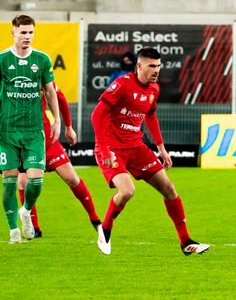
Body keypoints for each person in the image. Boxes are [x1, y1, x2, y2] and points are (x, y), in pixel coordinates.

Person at [91, 46, 209, 256]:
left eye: (158, 66)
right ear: (139, 66)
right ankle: (105, 229)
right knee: (127, 191)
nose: (156, 70)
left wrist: (161, 148)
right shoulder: (121, 85)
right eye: (152, 66)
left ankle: (185, 241)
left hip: (136, 147)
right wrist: (104, 149)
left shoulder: (154, 89)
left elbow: (151, 115)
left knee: (169, 188)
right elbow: (97, 115)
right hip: (112, 148)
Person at [0, 14, 60, 244]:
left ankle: (25, 210)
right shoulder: (3, 59)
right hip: (7, 131)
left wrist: (57, 120)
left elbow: (50, 91)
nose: (27, 36)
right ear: (13, 32)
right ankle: (13, 229)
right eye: (23, 32)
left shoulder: (42, 59)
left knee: (36, 181)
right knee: (9, 181)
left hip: (34, 131)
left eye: (30, 32)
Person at [17, 82, 101, 237]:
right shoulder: (9, 81)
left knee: (72, 179)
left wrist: (68, 127)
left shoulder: (41, 76)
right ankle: (35, 229)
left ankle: (95, 219)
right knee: (23, 183)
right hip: (23, 144)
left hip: (48, 141)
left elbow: (60, 98)